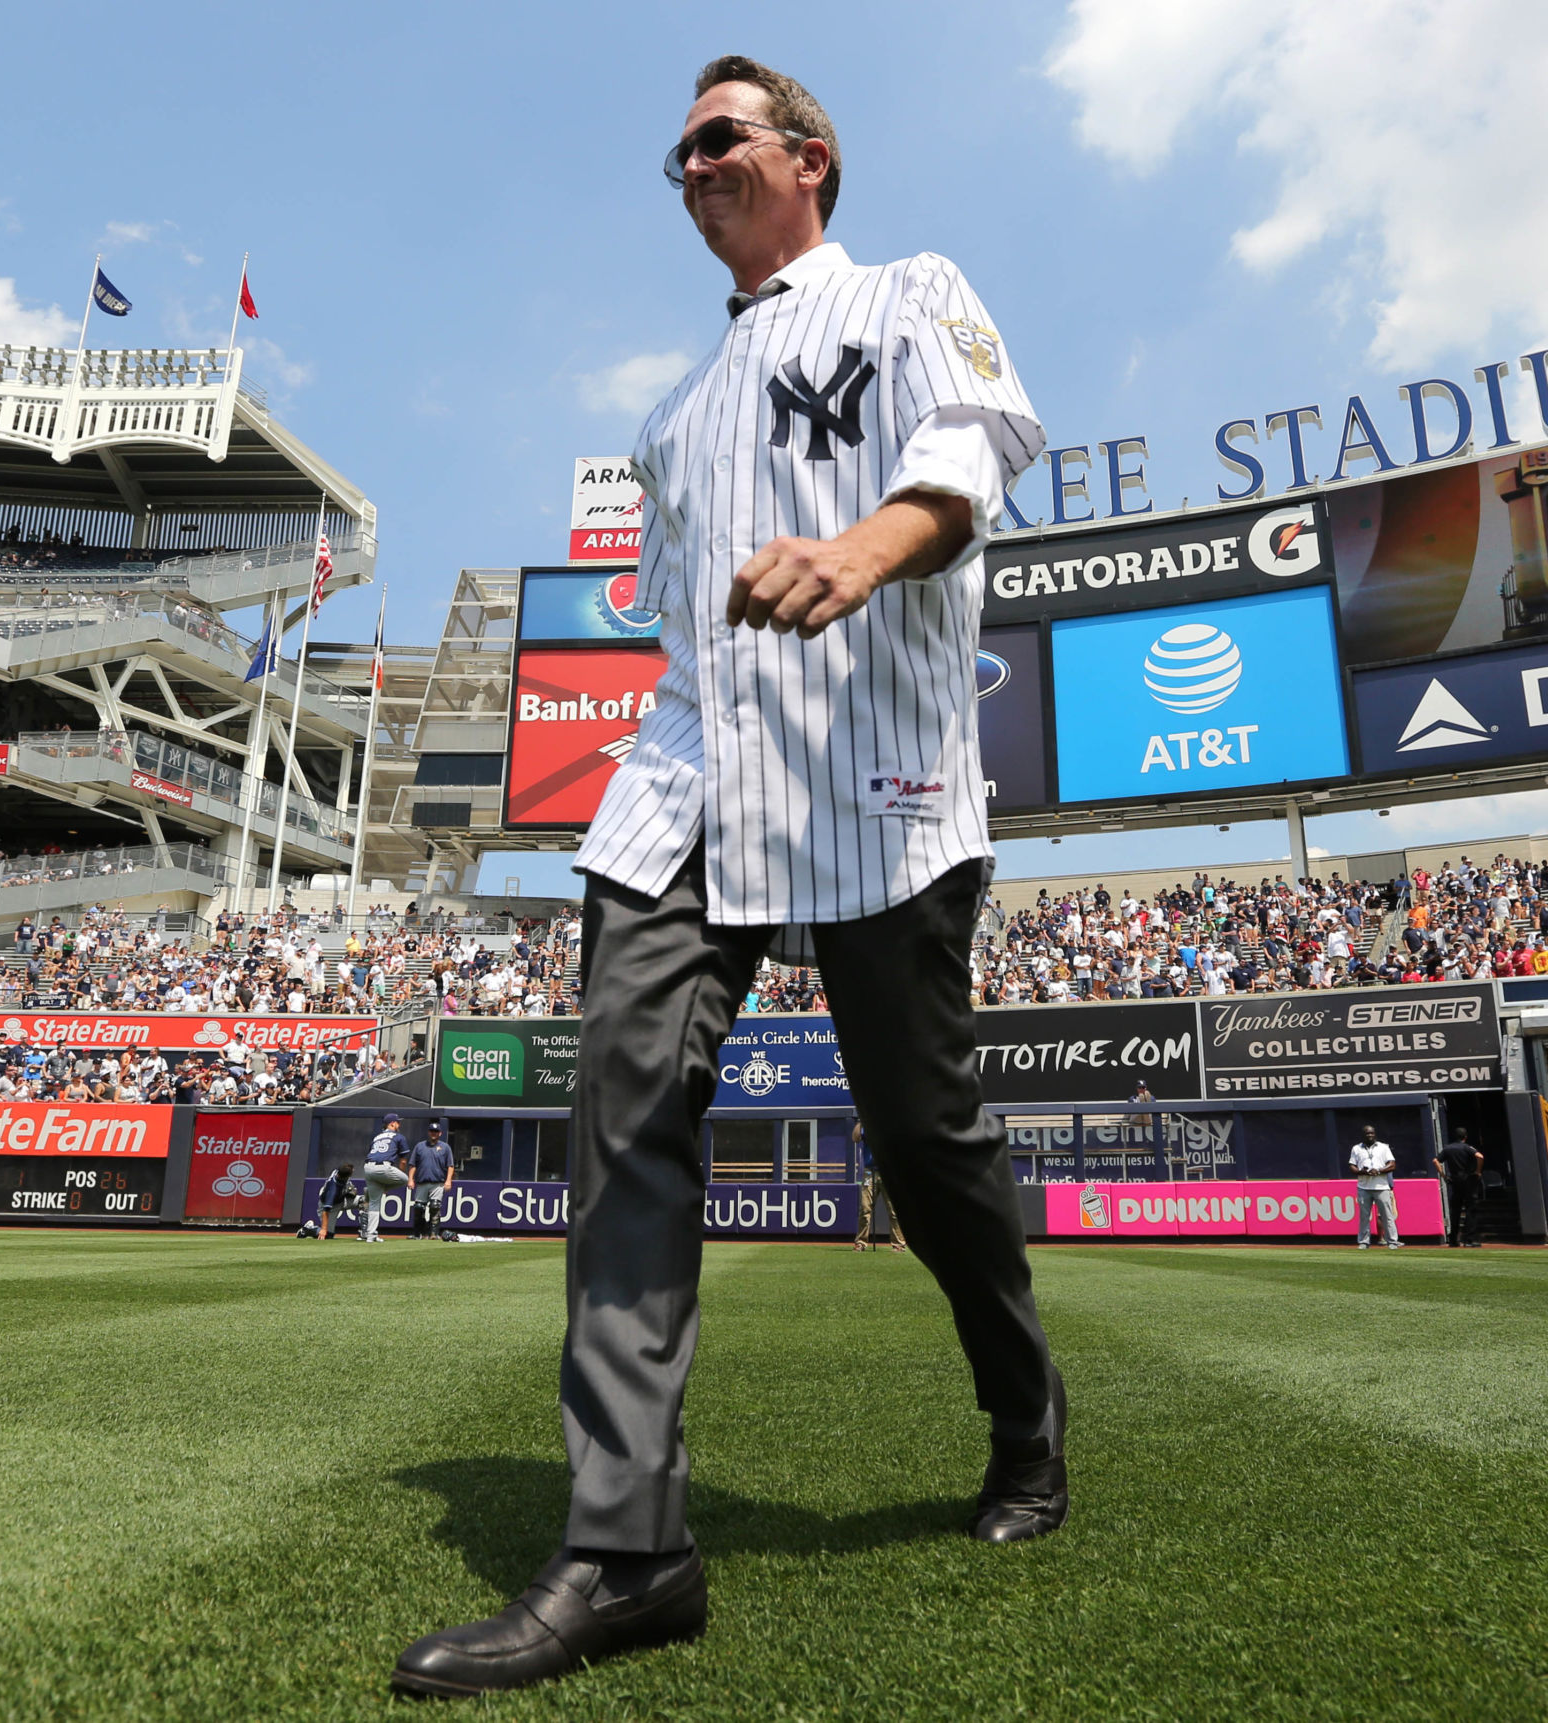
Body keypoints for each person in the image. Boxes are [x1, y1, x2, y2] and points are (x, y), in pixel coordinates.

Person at [394, 55, 1057, 1701]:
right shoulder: (672, 418)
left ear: (808, 158)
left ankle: (1022, 1400)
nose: (688, 166)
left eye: (717, 138)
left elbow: (985, 435)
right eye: (675, 153)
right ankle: (628, 1547)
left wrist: (863, 546)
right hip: (685, 784)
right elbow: (682, 634)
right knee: (623, 1104)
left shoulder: (910, 290)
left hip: (879, 776)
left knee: (923, 1130)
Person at [852, 1120, 905, 1252]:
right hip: (870, 1172)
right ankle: (861, 1242)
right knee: (865, 1209)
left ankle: (898, 1244)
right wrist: (860, 1120)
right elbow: (855, 1138)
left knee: (894, 1211)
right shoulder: (867, 1125)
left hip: (889, 1172)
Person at [362, 1115, 412, 1243]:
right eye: (398, 1123)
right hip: (383, 1167)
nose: (399, 1125)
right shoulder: (398, 1137)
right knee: (405, 1180)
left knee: (374, 1203)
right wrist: (399, 1173)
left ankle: (370, 1236)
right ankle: (383, 1188)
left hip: (368, 1168)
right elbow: (403, 1160)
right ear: (392, 1124)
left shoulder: (377, 1137)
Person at [1349, 1125, 1401, 1249]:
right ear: (1363, 1135)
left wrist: (1378, 1170)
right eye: (1367, 1133)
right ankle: (1364, 1241)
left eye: (1372, 1133)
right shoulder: (1356, 1148)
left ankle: (1392, 1241)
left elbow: (1392, 1165)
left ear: (1375, 1134)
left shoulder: (1383, 1147)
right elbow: (1352, 1166)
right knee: (1364, 1216)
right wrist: (1363, 1171)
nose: (1370, 1135)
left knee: (1387, 1215)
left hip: (1381, 1186)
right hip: (1363, 1186)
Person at [1435, 1127, 1484, 1247]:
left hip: (1454, 1180)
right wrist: (1478, 1171)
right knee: (1470, 1209)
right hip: (1468, 1180)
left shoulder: (1448, 1148)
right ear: (1465, 1137)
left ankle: (1453, 1240)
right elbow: (1480, 1156)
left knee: (1455, 1211)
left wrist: (1443, 1175)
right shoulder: (1467, 1148)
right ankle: (1469, 1239)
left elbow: (1435, 1161)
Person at [410, 1121, 455, 1240]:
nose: (433, 1133)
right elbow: (413, 1164)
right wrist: (410, 1179)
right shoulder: (420, 1146)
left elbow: (450, 1165)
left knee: (435, 1207)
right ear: (428, 1132)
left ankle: (433, 1233)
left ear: (440, 1133)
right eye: (431, 1131)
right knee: (419, 1207)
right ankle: (418, 1233)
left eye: (436, 1131)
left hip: (437, 1182)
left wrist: (448, 1181)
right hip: (422, 1181)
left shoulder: (445, 1147)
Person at [314, 1161, 354, 1241]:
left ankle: (364, 1233)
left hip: (342, 1200)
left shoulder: (338, 1172)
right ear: (346, 1176)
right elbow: (326, 1210)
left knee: (363, 1201)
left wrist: (350, 1190)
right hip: (330, 1207)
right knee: (328, 1235)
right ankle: (310, 1229)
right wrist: (324, 1229)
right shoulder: (333, 1189)